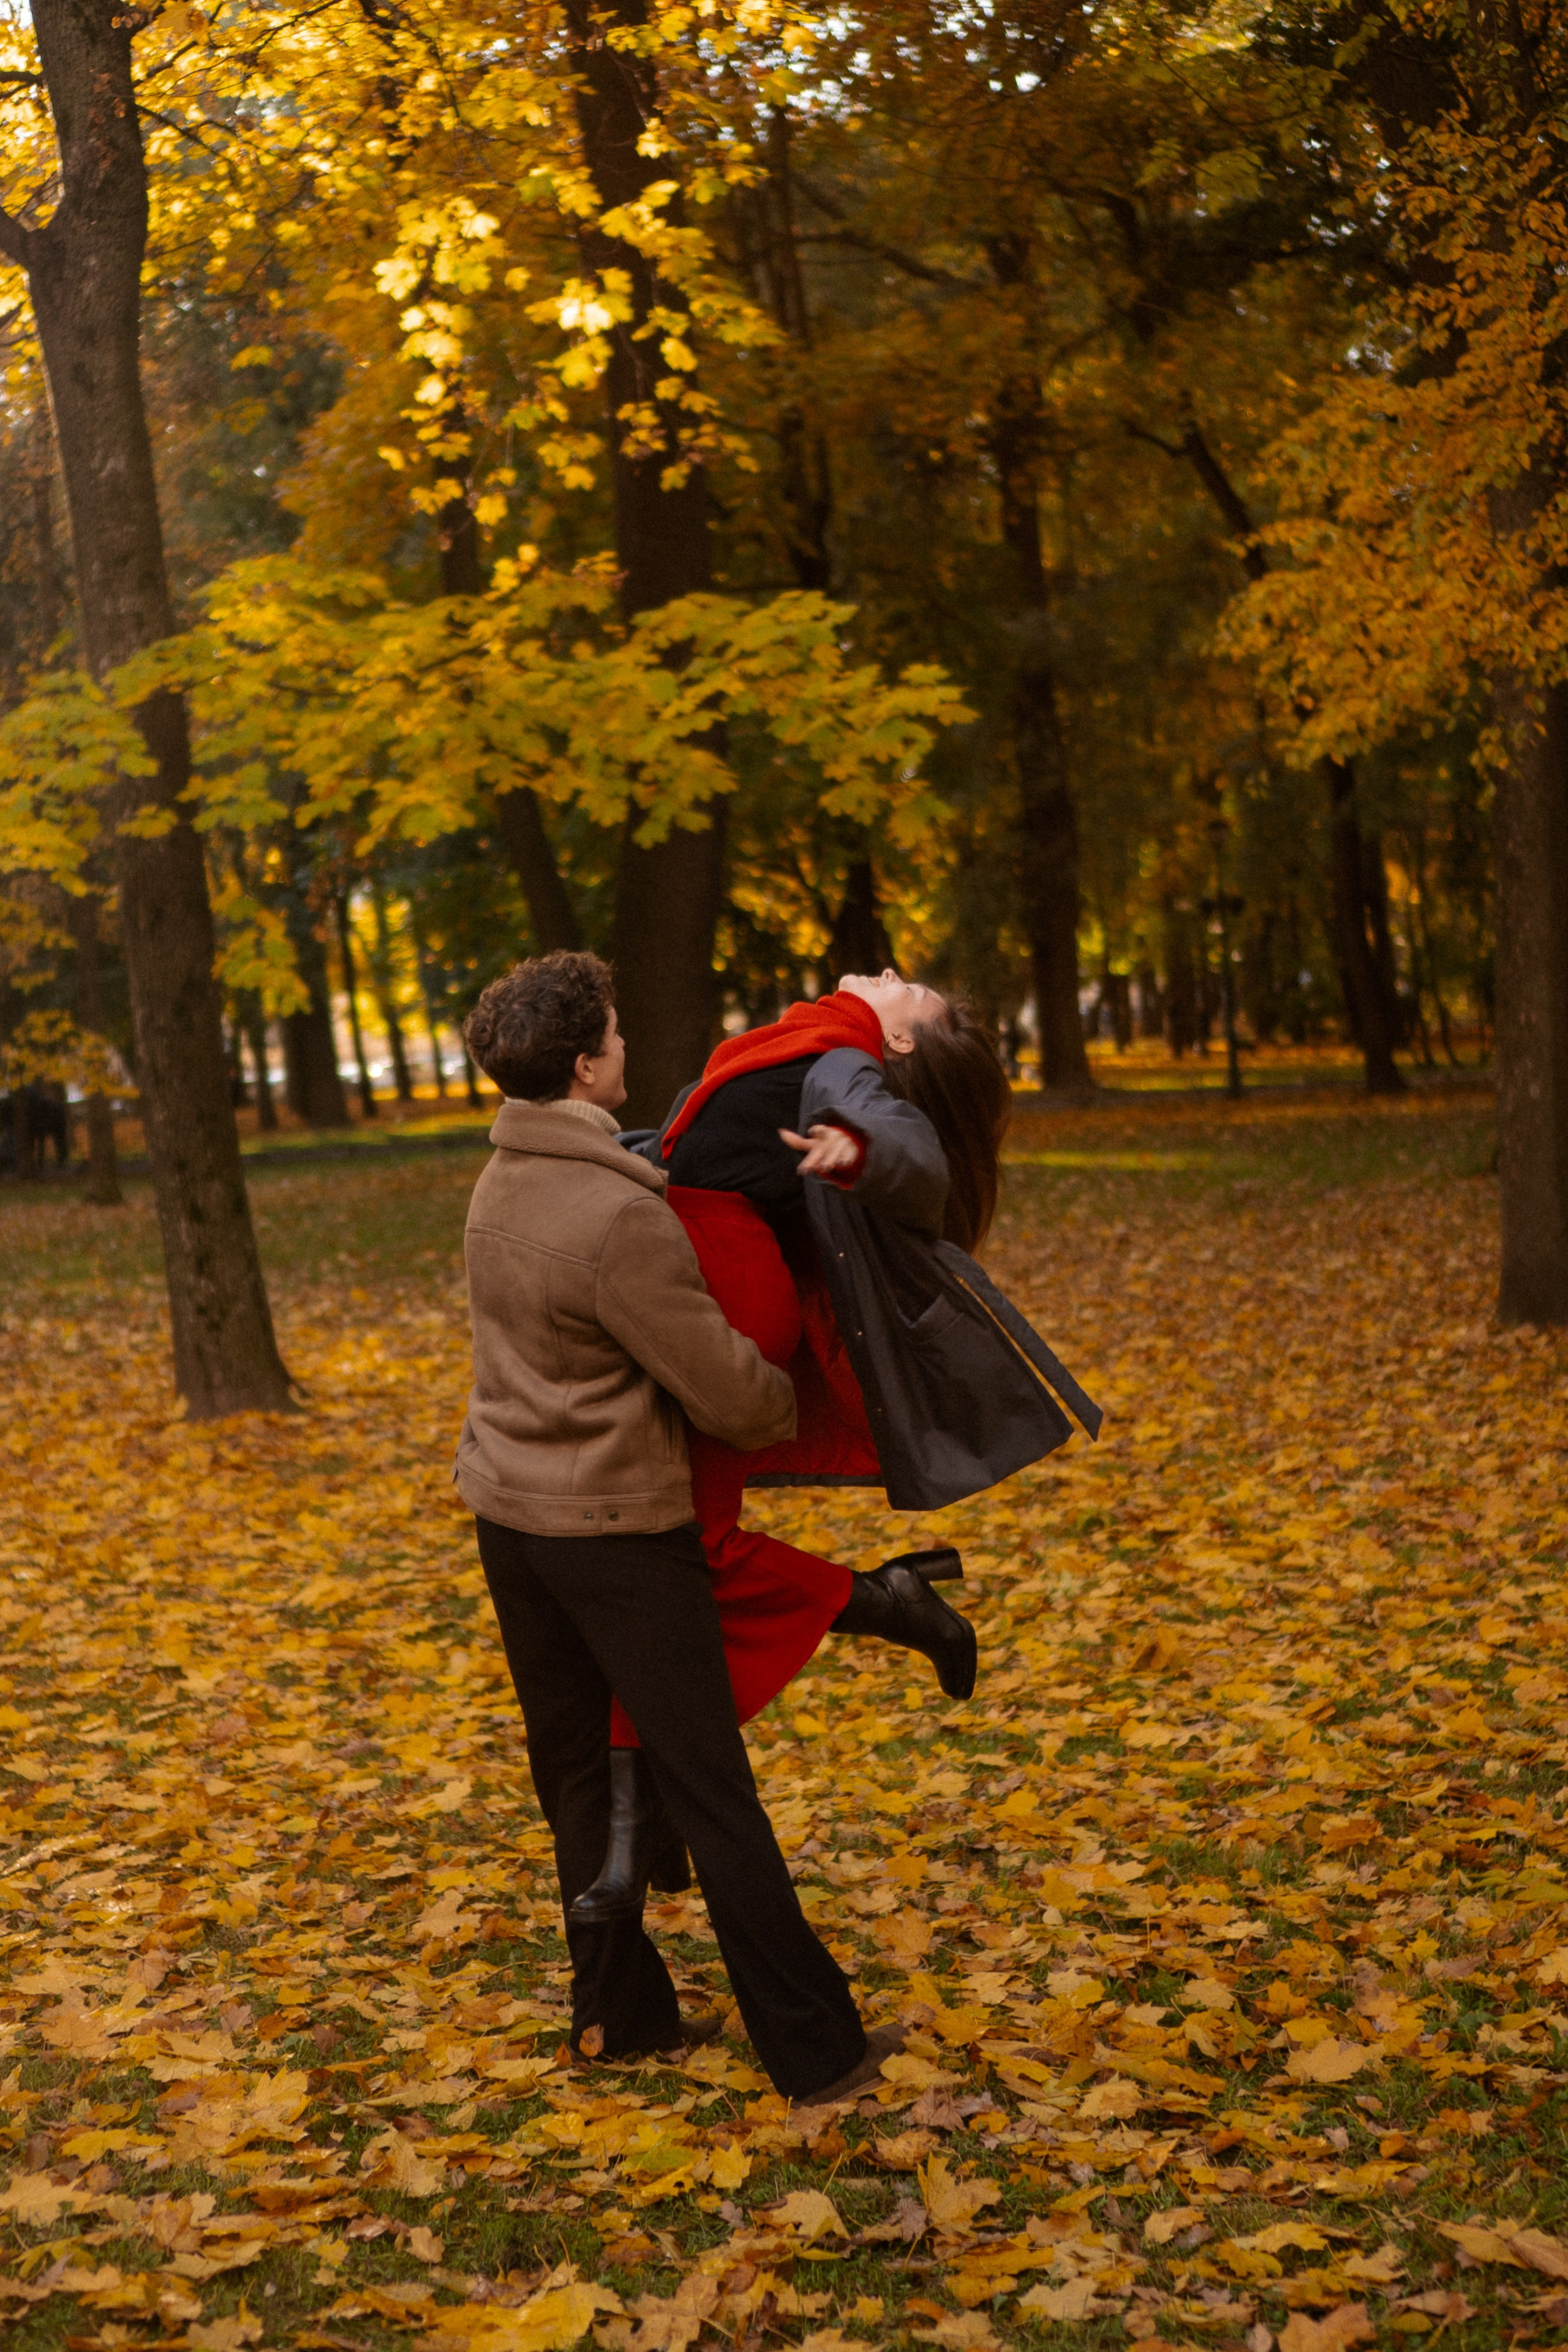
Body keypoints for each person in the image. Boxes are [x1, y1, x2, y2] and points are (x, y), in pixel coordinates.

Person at [455, 950, 903, 2106]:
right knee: (713, 1792)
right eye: (611, 1031)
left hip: (509, 1518)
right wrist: (790, 1389)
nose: (624, 1044)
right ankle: (816, 2050)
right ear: (584, 1062)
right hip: (616, 1530)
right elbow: (727, 1395)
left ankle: (621, 2014)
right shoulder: (617, 1215)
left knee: (574, 1779)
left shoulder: (498, 1181)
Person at [571, 971, 1102, 1921]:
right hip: (690, 1288)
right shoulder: (811, 1045)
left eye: (918, 992)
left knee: (682, 1555)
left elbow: (909, 1153)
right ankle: (645, 1830)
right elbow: (706, 1152)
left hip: (721, 1309)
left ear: (897, 1045)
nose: (895, 974)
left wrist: (863, 1150)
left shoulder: (844, 1065)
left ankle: (885, 1609)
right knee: (663, 1563)